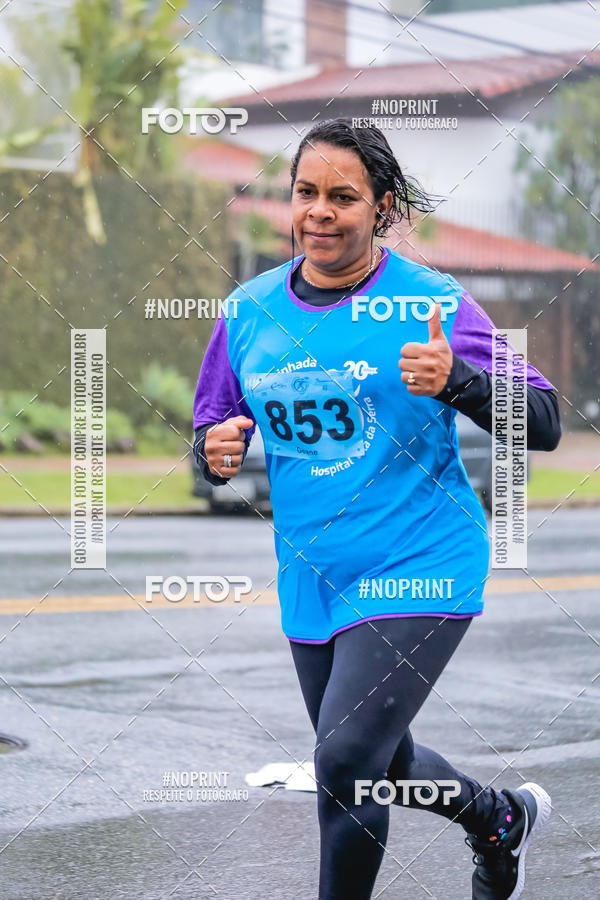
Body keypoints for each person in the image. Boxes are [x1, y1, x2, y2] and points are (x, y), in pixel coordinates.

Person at [192, 118, 560, 900]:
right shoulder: (250, 312)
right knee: (380, 760)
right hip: (314, 573)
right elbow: (211, 434)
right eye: (306, 192)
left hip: (421, 558)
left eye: (343, 197)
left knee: (344, 761)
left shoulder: (429, 301)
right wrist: (213, 453)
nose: (319, 211)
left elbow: (545, 420)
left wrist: (459, 381)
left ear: (382, 207)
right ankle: (498, 819)